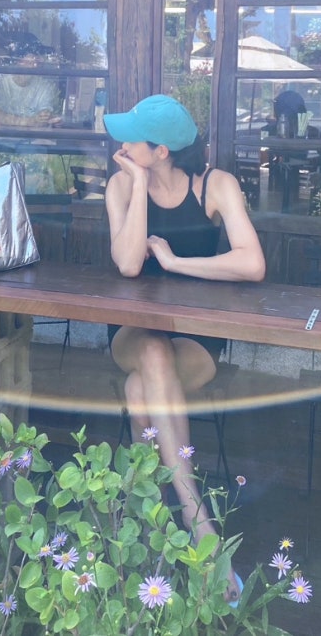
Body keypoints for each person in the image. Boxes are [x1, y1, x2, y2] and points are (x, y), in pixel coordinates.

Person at [103, 94, 265, 600]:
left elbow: (252, 263)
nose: (120, 144)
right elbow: (129, 264)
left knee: (140, 391)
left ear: (161, 150)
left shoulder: (216, 185)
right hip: (133, 332)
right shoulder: (120, 185)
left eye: (132, 139)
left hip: (196, 335)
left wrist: (176, 264)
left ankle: (145, 529)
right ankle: (200, 527)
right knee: (151, 354)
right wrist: (138, 186)